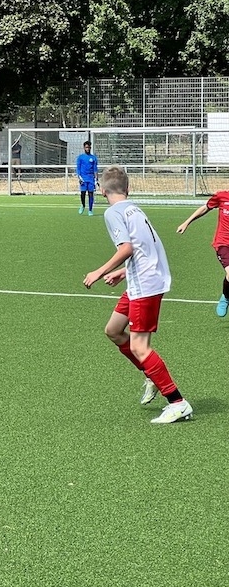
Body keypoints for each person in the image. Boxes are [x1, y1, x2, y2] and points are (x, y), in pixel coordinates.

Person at [83, 166, 192, 424]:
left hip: (145, 284)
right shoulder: (134, 209)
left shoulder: (113, 212)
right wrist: (123, 272)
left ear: (102, 190)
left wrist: (99, 271)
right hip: (142, 278)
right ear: (128, 189)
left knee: (139, 347)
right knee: (113, 330)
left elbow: (127, 248)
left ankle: (177, 402)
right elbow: (146, 247)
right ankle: (151, 375)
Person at [175, 190, 229, 317]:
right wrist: (187, 222)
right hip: (223, 243)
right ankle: (226, 297)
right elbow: (205, 208)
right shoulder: (222, 196)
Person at [76, 140, 99, 215]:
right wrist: (79, 177)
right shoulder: (80, 157)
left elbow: (95, 169)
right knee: (83, 193)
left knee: (91, 194)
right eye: (86, 147)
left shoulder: (93, 158)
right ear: (84, 148)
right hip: (83, 178)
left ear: (90, 148)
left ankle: (90, 210)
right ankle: (83, 205)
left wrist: (96, 179)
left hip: (91, 178)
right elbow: (78, 168)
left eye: (89, 147)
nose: (87, 149)